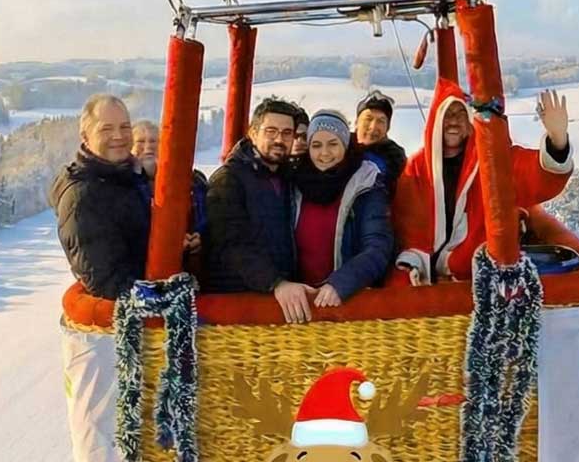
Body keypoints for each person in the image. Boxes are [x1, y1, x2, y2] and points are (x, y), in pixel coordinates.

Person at [394, 81, 573, 284]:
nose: (453, 121)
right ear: (435, 121)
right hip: (426, 273)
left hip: (478, 275)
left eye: (460, 114)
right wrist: (414, 264)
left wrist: (557, 140)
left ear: (470, 122)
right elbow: (408, 225)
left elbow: (533, 175)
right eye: (447, 114)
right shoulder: (417, 167)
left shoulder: (489, 160)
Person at [204, 98, 313, 323]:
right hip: (237, 306)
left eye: (286, 133)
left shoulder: (287, 178)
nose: (279, 140)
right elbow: (231, 244)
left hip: (277, 302)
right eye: (271, 131)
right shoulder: (228, 180)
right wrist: (274, 282)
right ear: (253, 133)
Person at [49, 94, 149, 300]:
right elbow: (107, 283)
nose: (118, 136)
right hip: (128, 326)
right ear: (85, 136)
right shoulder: (83, 198)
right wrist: (163, 295)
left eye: (124, 127)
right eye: (106, 129)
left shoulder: (128, 177)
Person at [292, 109, 393, 308]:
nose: (324, 153)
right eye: (316, 145)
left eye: (333, 144)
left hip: (347, 298)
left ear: (345, 145)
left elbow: (378, 246)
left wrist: (342, 283)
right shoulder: (294, 183)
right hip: (301, 300)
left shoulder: (366, 184)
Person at [131, 118, 205, 256]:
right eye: (140, 141)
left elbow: (205, 216)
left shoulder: (191, 181)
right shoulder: (125, 184)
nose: (148, 147)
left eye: (154, 141)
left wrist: (199, 235)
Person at [353, 89, 406, 195]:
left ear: (387, 128)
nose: (373, 127)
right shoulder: (340, 150)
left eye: (381, 121)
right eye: (368, 118)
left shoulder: (395, 160)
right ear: (356, 123)